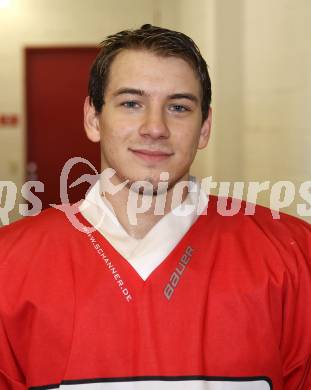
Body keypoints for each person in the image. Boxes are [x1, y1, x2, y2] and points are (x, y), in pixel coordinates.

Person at [0, 24, 310, 390]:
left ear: (205, 127)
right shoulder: (10, 264)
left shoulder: (293, 256)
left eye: (178, 107)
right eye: (131, 103)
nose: (155, 127)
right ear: (93, 118)